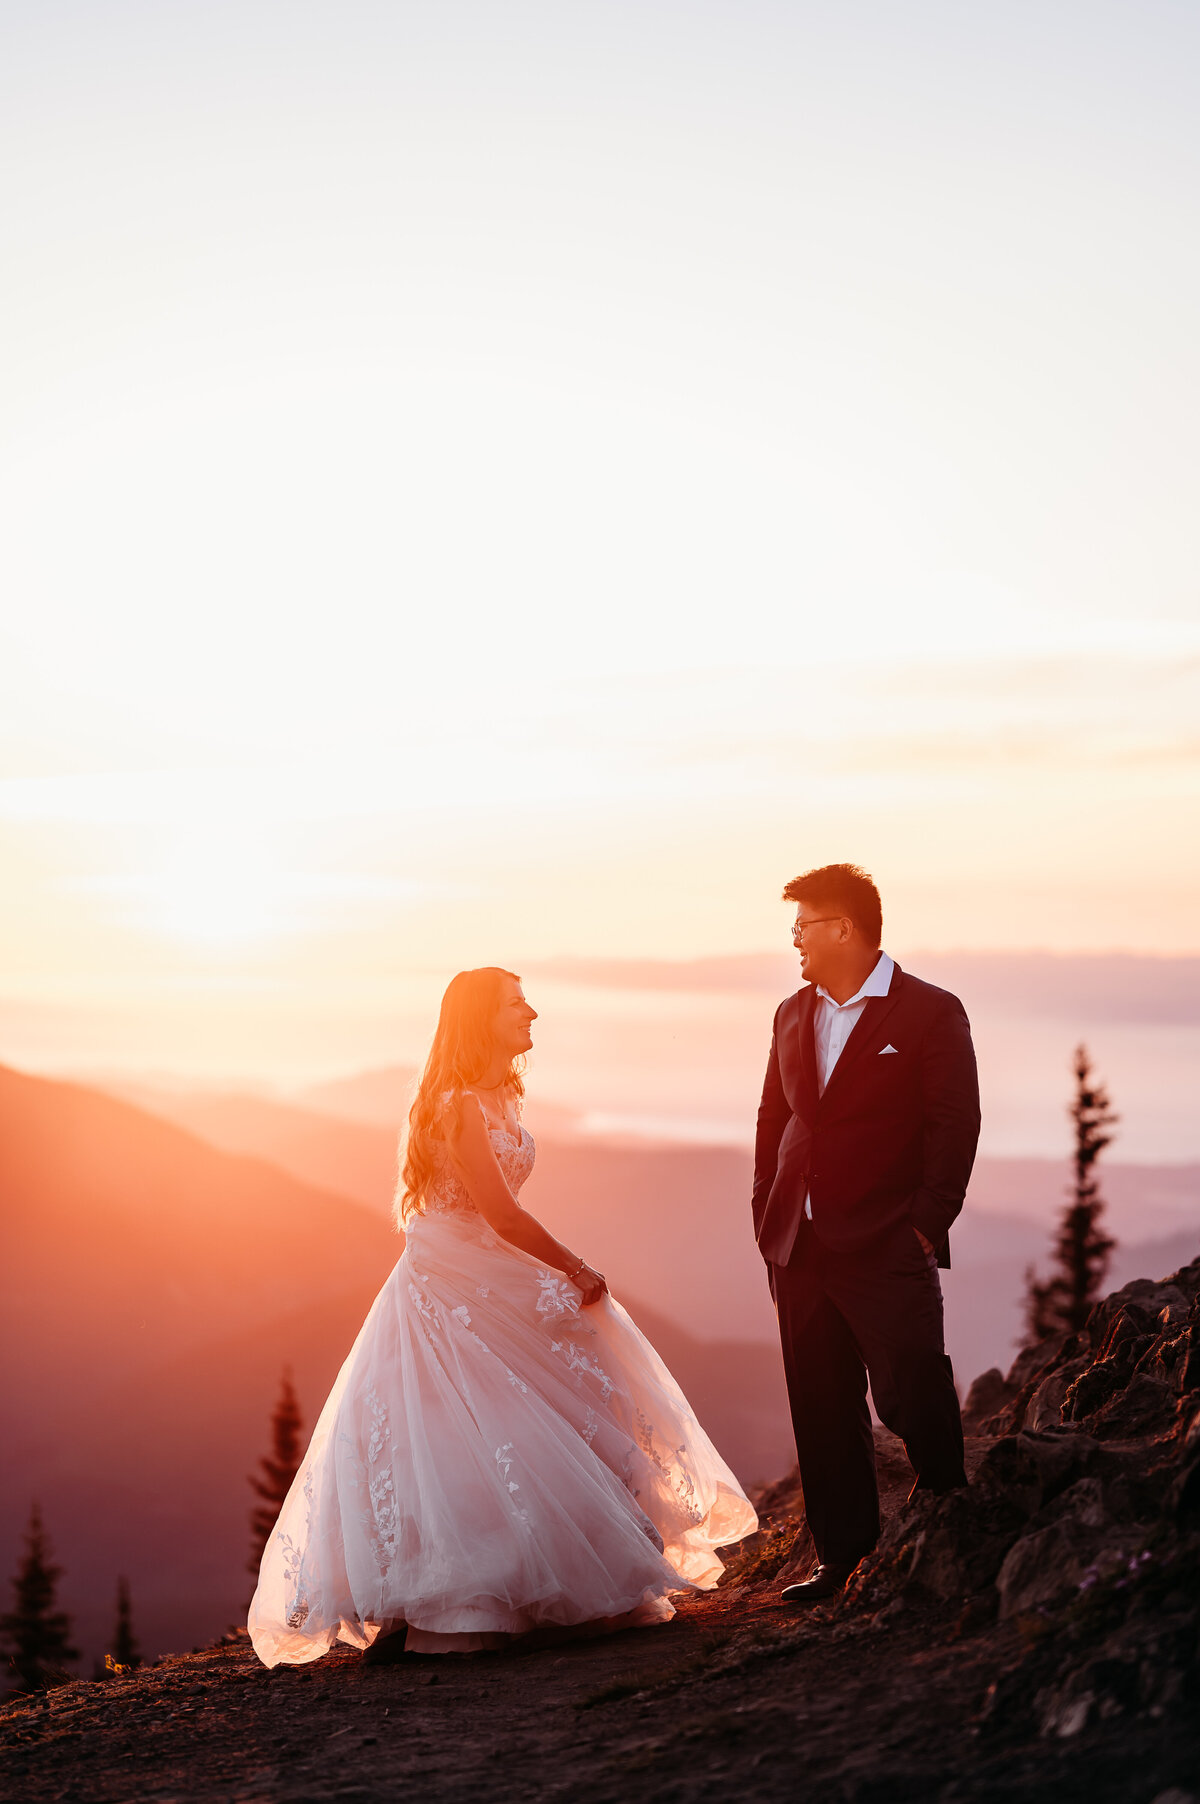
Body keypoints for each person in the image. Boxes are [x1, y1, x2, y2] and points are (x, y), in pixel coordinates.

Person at [249, 966, 756, 1664]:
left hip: (485, 1272)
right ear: (482, 1019)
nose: (533, 1015)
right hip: (451, 1281)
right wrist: (576, 1269)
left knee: (518, 1421)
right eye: (518, 1005)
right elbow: (502, 1216)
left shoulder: (499, 1096)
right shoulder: (457, 1105)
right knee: (467, 1430)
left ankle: (517, 1584)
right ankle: (458, 1597)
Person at [752, 864, 980, 1606]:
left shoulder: (929, 1012)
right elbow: (773, 1121)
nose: (794, 940)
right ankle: (842, 1559)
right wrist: (767, 1213)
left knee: (912, 1381)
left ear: (845, 928)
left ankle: (953, 1514)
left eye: (803, 926)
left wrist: (925, 1223)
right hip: (799, 1243)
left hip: (887, 1237)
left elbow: (954, 1122)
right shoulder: (791, 1013)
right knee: (820, 1403)